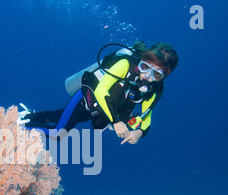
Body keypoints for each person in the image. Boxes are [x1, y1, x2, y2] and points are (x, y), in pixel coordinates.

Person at [21, 41, 178, 144]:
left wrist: (139, 133)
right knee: (58, 133)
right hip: (87, 100)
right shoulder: (125, 64)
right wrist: (116, 122)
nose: (147, 76)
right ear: (141, 60)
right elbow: (101, 89)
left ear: (164, 76)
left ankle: (28, 116)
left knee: (57, 116)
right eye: (145, 67)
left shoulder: (153, 90)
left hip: (101, 112)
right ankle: (12, 127)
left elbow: (146, 117)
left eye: (156, 74)